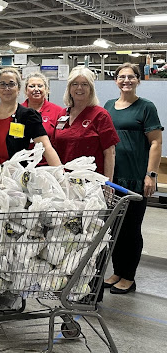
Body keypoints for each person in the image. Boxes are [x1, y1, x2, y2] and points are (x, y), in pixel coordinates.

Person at [103, 63, 163, 294]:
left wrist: (151, 175)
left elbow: (155, 142)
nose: (126, 80)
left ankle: (129, 276)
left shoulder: (146, 107)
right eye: (122, 77)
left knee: (131, 228)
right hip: (113, 178)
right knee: (114, 227)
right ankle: (117, 271)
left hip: (135, 178)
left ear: (138, 80)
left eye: (131, 77)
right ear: (116, 80)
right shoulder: (109, 106)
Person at [0, 67, 61, 173]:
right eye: (2, 84)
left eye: (11, 84)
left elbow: (46, 148)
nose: (7, 88)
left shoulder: (27, 116)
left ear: (18, 88)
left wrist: (61, 177)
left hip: (11, 180)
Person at [52, 66, 119, 177]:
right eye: (75, 84)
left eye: (84, 84)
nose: (79, 88)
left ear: (91, 89)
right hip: (64, 179)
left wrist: (107, 182)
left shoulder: (100, 115)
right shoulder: (62, 114)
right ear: (69, 88)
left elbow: (110, 152)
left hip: (91, 180)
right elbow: (54, 148)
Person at [22, 72, 63, 139]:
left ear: (46, 89)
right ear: (26, 90)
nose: (36, 89)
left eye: (40, 86)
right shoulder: (17, 111)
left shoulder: (58, 111)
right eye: (32, 86)